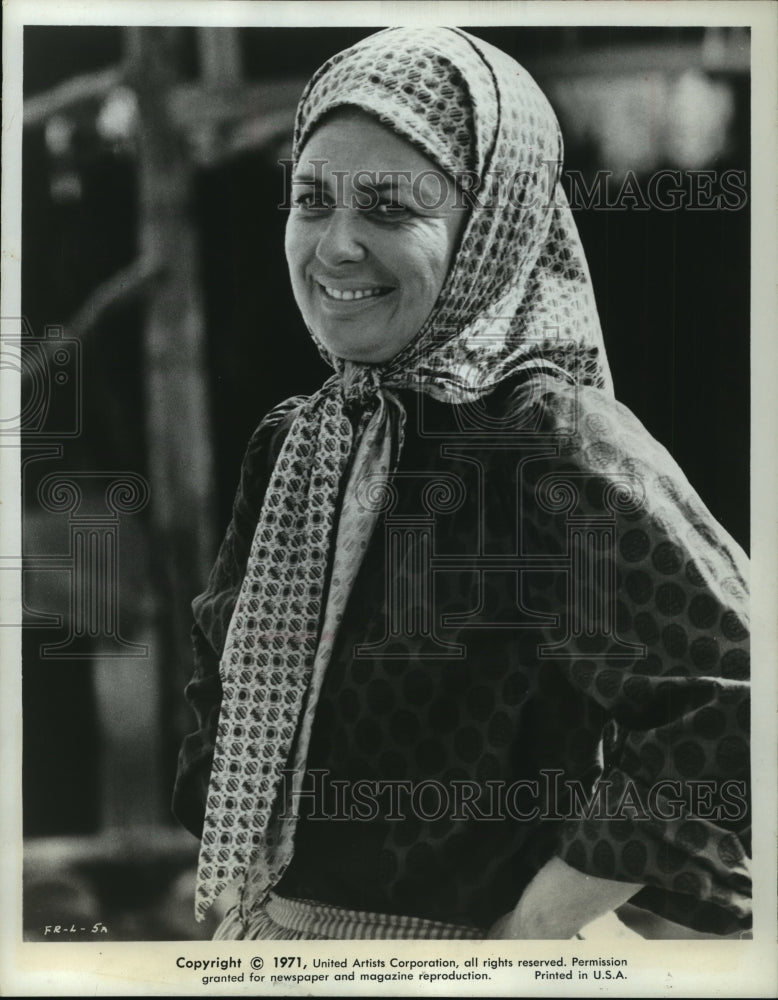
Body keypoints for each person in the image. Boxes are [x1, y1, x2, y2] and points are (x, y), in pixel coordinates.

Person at [172, 27, 751, 941]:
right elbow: (218, 688)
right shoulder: (301, 442)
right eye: (311, 200)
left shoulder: (544, 443)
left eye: (391, 208)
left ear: (493, 225)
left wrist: (540, 922)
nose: (336, 247)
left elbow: (738, 694)